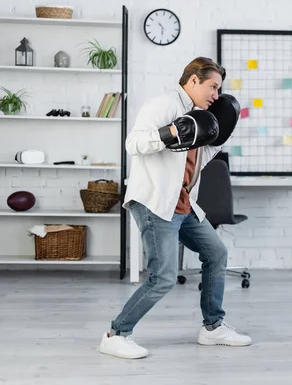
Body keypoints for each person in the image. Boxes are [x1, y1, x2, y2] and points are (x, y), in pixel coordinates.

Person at [99, 57, 251, 359]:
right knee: (164, 276)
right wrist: (170, 132)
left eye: (219, 90)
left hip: (183, 204)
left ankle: (212, 327)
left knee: (216, 254)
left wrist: (216, 140)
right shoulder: (163, 105)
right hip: (156, 204)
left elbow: (194, 163)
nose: (216, 95)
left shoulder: (202, 114)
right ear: (193, 80)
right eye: (212, 87)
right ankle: (116, 334)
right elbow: (134, 144)